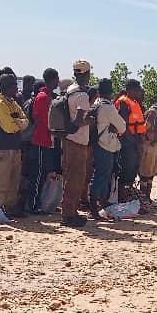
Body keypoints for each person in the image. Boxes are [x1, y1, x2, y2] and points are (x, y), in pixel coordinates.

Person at [0, 73, 29, 217]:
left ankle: (9, 210)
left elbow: (25, 121)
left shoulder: (12, 102)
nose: (17, 88)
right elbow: (10, 128)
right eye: (14, 85)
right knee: (0, 183)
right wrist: (18, 122)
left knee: (13, 182)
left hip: (15, 148)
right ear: (7, 87)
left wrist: (17, 122)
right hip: (2, 150)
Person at [59, 60, 95, 227]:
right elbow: (80, 120)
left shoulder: (70, 90)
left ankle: (69, 212)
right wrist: (91, 120)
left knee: (69, 177)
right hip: (78, 141)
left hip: (69, 140)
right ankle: (69, 215)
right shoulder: (82, 95)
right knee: (76, 179)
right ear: (86, 74)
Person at [24, 68, 61, 213]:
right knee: (37, 174)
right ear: (53, 80)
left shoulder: (48, 96)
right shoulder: (43, 97)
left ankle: (38, 203)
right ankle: (33, 205)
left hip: (45, 140)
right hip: (40, 140)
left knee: (42, 173)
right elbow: (45, 121)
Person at [89, 79, 126, 213]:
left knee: (98, 174)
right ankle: (95, 208)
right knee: (102, 176)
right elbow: (122, 127)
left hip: (95, 143)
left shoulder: (96, 104)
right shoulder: (108, 107)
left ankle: (97, 206)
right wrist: (115, 128)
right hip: (106, 145)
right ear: (110, 93)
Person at [115, 79, 146, 205]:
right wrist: (134, 142)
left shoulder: (135, 103)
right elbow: (123, 126)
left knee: (132, 170)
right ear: (130, 90)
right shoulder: (124, 102)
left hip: (134, 142)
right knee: (126, 170)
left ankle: (127, 196)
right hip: (126, 143)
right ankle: (122, 197)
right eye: (137, 89)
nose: (139, 92)